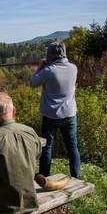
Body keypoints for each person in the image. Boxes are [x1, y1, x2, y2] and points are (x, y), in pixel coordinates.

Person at [30, 41, 81, 178]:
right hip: (70, 114)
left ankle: (44, 176)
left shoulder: (48, 71)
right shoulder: (74, 68)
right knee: (72, 147)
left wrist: (40, 67)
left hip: (51, 115)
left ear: (50, 55)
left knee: (47, 147)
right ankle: (76, 177)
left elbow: (33, 83)